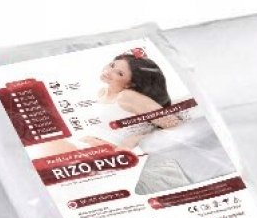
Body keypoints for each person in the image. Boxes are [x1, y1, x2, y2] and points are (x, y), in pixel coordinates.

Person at [34, 49, 182, 157]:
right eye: (112, 65)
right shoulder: (102, 92)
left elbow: (175, 124)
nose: (109, 71)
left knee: (44, 146)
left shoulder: (128, 96)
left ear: (130, 83)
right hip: (83, 146)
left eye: (120, 73)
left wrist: (136, 139)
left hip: (102, 153)